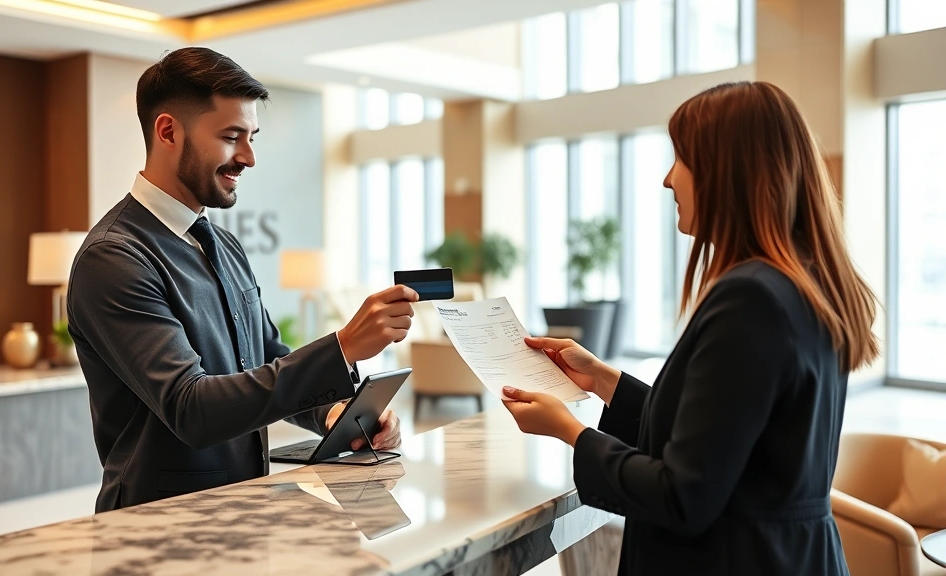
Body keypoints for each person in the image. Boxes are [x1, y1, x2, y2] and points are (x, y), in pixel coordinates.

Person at [502, 81, 879, 575]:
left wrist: (571, 432)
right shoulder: (800, 283)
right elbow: (717, 439)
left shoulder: (752, 298)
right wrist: (601, 379)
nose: (667, 179)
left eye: (680, 158)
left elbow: (682, 495)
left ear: (727, 172)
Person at [67, 47, 417, 513]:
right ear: (168, 131)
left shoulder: (225, 245)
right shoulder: (113, 258)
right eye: (232, 137)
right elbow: (191, 407)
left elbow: (265, 357)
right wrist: (343, 347)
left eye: (251, 137)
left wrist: (333, 413)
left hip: (242, 511)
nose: (249, 157)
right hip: (157, 524)